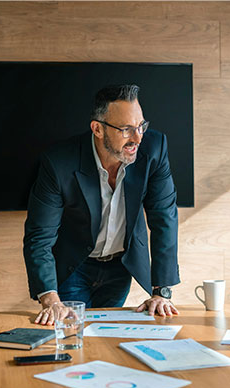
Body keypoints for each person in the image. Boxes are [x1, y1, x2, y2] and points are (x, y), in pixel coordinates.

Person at [23, 84, 180, 324]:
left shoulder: (154, 149)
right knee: (74, 335)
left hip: (121, 266)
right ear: (97, 129)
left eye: (141, 126)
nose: (137, 138)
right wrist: (50, 298)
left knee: (106, 336)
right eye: (126, 129)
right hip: (75, 265)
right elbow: (39, 235)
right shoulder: (59, 163)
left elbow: (164, 217)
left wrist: (161, 291)